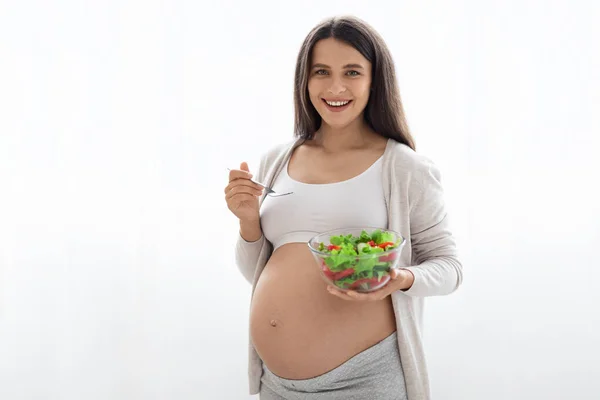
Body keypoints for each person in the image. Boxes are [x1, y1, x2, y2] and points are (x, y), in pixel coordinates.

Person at [224, 15, 463, 400]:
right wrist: (249, 222)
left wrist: (400, 279)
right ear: (305, 80)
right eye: (321, 71)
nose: (335, 87)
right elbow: (255, 272)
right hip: (276, 385)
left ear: (374, 80)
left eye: (352, 72)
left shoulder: (403, 168)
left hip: (363, 382)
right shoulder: (276, 160)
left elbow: (450, 268)